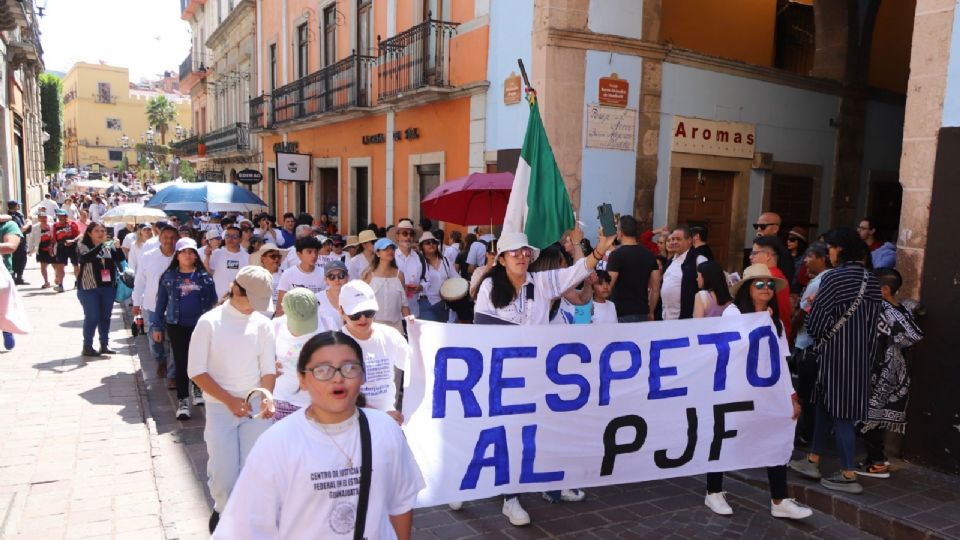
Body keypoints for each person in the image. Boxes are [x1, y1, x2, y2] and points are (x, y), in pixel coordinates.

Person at [212, 331, 425, 540]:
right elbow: (244, 527)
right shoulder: (277, 443)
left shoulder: (384, 430)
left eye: (350, 368)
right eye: (323, 370)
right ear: (302, 379)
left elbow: (401, 503)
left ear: (363, 376)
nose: (338, 378)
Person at [473, 226, 614, 525]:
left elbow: (575, 272)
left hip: (537, 376)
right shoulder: (489, 288)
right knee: (505, 434)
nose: (522, 256)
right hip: (503, 376)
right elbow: (483, 332)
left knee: (536, 432)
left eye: (526, 251)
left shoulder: (541, 282)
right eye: (514, 252)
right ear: (501, 259)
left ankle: (545, 484)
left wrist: (600, 249)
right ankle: (509, 498)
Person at [702, 263, 811, 520]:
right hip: (735, 389)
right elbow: (733, 347)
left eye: (770, 284)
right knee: (726, 436)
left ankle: (780, 499)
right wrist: (760, 321)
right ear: (747, 289)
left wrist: (791, 396)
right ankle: (713, 491)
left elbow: (781, 361)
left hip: (766, 391)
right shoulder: (733, 314)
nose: (766, 288)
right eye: (759, 284)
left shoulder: (776, 322)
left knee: (776, 435)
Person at [789, 227, 882, 495]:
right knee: (825, 410)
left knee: (840, 416)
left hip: (834, 357)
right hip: (860, 357)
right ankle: (813, 460)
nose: (828, 251)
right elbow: (873, 323)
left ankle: (848, 473)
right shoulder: (872, 280)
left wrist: (822, 330)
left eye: (830, 247)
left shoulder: (835, 279)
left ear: (840, 249)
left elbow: (816, 323)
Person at [188, 265, 277, 533]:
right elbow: (196, 370)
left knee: (254, 471)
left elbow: (268, 368)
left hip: (255, 408)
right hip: (220, 407)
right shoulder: (209, 322)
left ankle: (248, 526)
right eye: (251, 300)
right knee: (224, 476)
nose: (255, 308)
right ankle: (222, 516)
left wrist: (267, 397)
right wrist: (228, 400)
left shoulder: (263, 324)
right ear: (236, 290)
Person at [857, 268, 923, 479]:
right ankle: (875, 460)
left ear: (884, 289)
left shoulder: (884, 308)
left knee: (867, 417)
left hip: (882, 368)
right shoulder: (898, 308)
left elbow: (912, 335)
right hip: (887, 366)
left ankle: (877, 463)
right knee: (872, 416)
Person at [152, 238, 218, 420]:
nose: (188, 255)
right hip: (177, 325)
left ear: (196, 255)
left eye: (191, 252)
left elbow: (213, 301)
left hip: (201, 326)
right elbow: (161, 304)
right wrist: (156, 326)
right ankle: (182, 400)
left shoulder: (204, 277)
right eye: (184, 252)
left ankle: (197, 388)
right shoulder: (169, 277)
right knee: (181, 362)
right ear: (177, 255)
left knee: (200, 360)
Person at [338, 280, 411, 421]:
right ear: (341, 311)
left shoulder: (390, 335)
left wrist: (418, 334)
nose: (363, 318)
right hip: (350, 423)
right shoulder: (334, 345)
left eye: (368, 312)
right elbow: (338, 395)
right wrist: (381, 415)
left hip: (388, 422)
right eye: (355, 314)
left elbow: (413, 366)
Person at [791, 242, 831, 443]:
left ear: (822, 258)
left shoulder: (817, 284)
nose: (805, 260)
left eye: (809, 256)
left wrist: (792, 326)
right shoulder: (829, 280)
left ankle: (808, 435)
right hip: (819, 346)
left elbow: (802, 314)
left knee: (807, 394)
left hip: (807, 345)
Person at [133, 225, 179, 387]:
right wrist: (136, 302)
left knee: (174, 342)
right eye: (165, 237)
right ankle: (160, 360)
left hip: (176, 307)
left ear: (177, 239)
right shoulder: (147, 256)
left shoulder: (181, 257)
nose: (169, 241)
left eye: (172, 237)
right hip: (152, 306)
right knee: (155, 341)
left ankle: (172, 374)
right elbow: (140, 281)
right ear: (159, 239)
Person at [270, 288, 322, 421]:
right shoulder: (274, 326)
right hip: (282, 400)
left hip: (319, 402)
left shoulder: (328, 324)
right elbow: (259, 359)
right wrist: (268, 367)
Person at [75, 222, 124, 357]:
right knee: (92, 316)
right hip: (88, 287)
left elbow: (120, 259)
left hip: (108, 287)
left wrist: (118, 248)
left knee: (105, 317)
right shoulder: (82, 244)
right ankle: (87, 346)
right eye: (96, 231)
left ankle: (104, 345)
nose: (101, 233)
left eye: (103, 230)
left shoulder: (109, 245)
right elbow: (85, 258)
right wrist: (101, 245)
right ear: (89, 233)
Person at [606, 215, 661, 322]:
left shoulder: (616, 255)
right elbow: (655, 288)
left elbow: (608, 285)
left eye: (617, 229)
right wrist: (651, 311)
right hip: (642, 312)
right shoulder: (649, 255)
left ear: (621, 232)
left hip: (620, 313)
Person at [361, 238, 411, 333]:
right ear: (377, 253)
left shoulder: (399, 275)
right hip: (373, 327)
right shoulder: (368, 275)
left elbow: (404, 304)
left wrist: (411, 325)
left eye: (392, 248)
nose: (390, 251)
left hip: (396, 328)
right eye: (386, 249)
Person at [660, 226, 707, 321]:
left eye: (678, 239)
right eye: (672, 239)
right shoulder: (671, 261)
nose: (673, 242)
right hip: (666, 316)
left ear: (689, 240)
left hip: (685, 318)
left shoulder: (699, 260)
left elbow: (705, 288)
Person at [749, 235, 793, 338]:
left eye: (754, 253)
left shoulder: (768, 276)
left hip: (771, 335)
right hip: (778, 333)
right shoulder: (778, 275)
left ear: (768, 255)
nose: (750, 257)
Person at [277, 236, 326, 317]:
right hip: (294, 321)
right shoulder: (288, 274)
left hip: (317, 320)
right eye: (309, 252)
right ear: (299, 254)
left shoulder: (324, 274)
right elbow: (280, 305)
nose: (314, 255)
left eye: (316, 252)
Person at [417, 231, 457, 322]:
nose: (431, 244)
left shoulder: (445, 261)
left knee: (441, 332)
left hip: (443, 303)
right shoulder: (418, 262)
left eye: (433, 242)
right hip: (425, 302)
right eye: (427, 243)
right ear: (421, 246)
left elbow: (455, 278)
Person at [392, 219, 425, 318]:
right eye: (405, 233)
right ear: (397, 237)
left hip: (413, 310)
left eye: (411, 234)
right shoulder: (391, 256)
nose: (408, 237)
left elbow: (426, 279)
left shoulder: (419, 257)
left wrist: (421, 287)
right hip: (394, 312)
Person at [208, 225, 247, 299]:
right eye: (227, 236)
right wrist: (207, 257)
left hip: (239, 299)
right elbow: (209, 272)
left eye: (234, 236)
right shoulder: (216, 254)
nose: (230, 239)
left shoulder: (248, 257)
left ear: (240, 239)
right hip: (219, 299)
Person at [249, 242, 287, 316]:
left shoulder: (286, 275)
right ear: (263, 259)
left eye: (278, 256)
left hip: (281, 318)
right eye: (273, 256)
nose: (276, 259)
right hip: (260, 318)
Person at [52, 209, 80, 292]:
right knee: (60, 266)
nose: (60, 217)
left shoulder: (72, 224)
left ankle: (78, 282)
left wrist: (73, 240)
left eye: (62, 216)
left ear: (66, 216)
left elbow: (80, 234)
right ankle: (60, 285)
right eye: (58, 216)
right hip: (61, 247)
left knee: (76, 265)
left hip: (73, 246)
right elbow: (54, 238)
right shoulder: (55, 225)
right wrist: (52, 247)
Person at [316, 260, 348, 330]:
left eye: (341, 275)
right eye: (331, 276)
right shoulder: (316, 299)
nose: (337, 280)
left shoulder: (356, 297)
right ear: (326, 280)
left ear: (347, 277)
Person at [7, 201, 29, 285]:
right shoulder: (12, 217)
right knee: (17, 259)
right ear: (15, 206)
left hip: (21, 240)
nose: (19, 206)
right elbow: (21, 229)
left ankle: (19, 277)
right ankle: (15, 278)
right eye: (18, 205)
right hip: (17, 240)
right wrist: (28, 224)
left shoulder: (18, 215)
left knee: (21, 259)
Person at [36, 213, 56, 288]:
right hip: (41, 249)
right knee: (43, 266)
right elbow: (32, 238)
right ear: (38, 219)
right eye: (41, 218)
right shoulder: (35, 227)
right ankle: (46, 282)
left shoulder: (52, 226)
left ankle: (58, 279)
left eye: (45, 217)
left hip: (52, 249)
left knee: (55, 266)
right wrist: (31, 249)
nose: (43, 219)